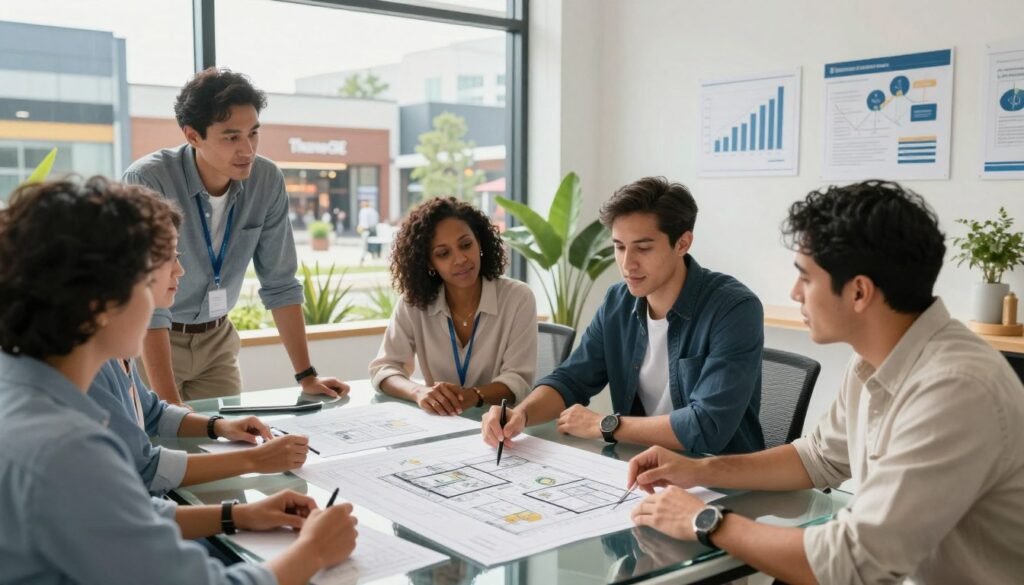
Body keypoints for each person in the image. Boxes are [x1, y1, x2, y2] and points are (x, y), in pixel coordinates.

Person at [627, 180, 1024, 585]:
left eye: (806, 278)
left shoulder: (956, 388)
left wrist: (705, 520)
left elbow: (854, 562)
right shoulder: (874, 359)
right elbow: (816, 458)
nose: (794, 292)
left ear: (858, 292)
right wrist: (697, 469)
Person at [0, 177, 358, 585]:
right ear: (99, 302)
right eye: (147, 275)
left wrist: (238, 514)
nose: (177, 275)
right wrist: (313, 551)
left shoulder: (25, 389)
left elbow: (122, 514)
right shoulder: (66, 448)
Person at [483, 177, 764, 453]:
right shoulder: (618, 302)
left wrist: (605, 426)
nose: (628, 263)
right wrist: (521, 414)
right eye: (619, 247)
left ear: (682, 243)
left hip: (719, 479)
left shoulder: (734, 309)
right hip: (641, 466)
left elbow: (708, 426)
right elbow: (571, 380)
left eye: (643, 248)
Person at [123, 67, 348, 404]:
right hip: (152, 338)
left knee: (226, 447)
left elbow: (281, 282)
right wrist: (170, 407)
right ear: (193, 136)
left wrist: (307, 376)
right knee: (161, 443)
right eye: (231, 137)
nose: (247, 150)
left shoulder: (267, 180)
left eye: (253, 134)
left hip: (218, 341)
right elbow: (147, 296)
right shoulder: (149, 180)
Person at [87, 201, 310, 494]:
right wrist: (255, 459)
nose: (180, 270)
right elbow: (145, 469)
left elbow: (153, 412)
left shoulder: (117, 349)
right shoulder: (92, 365)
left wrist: (219, 426)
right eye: (168, 258)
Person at [370, 196, 537, 415]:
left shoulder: (517, 298)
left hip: (498, 427)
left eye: (466, 245)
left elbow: (518, 381)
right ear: (429, 262)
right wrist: (419, 392)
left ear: (480, 242)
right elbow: (384, 369)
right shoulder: (414, 303)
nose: (460, 259)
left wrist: (474, 395)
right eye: (443, 253)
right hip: (439, 425)